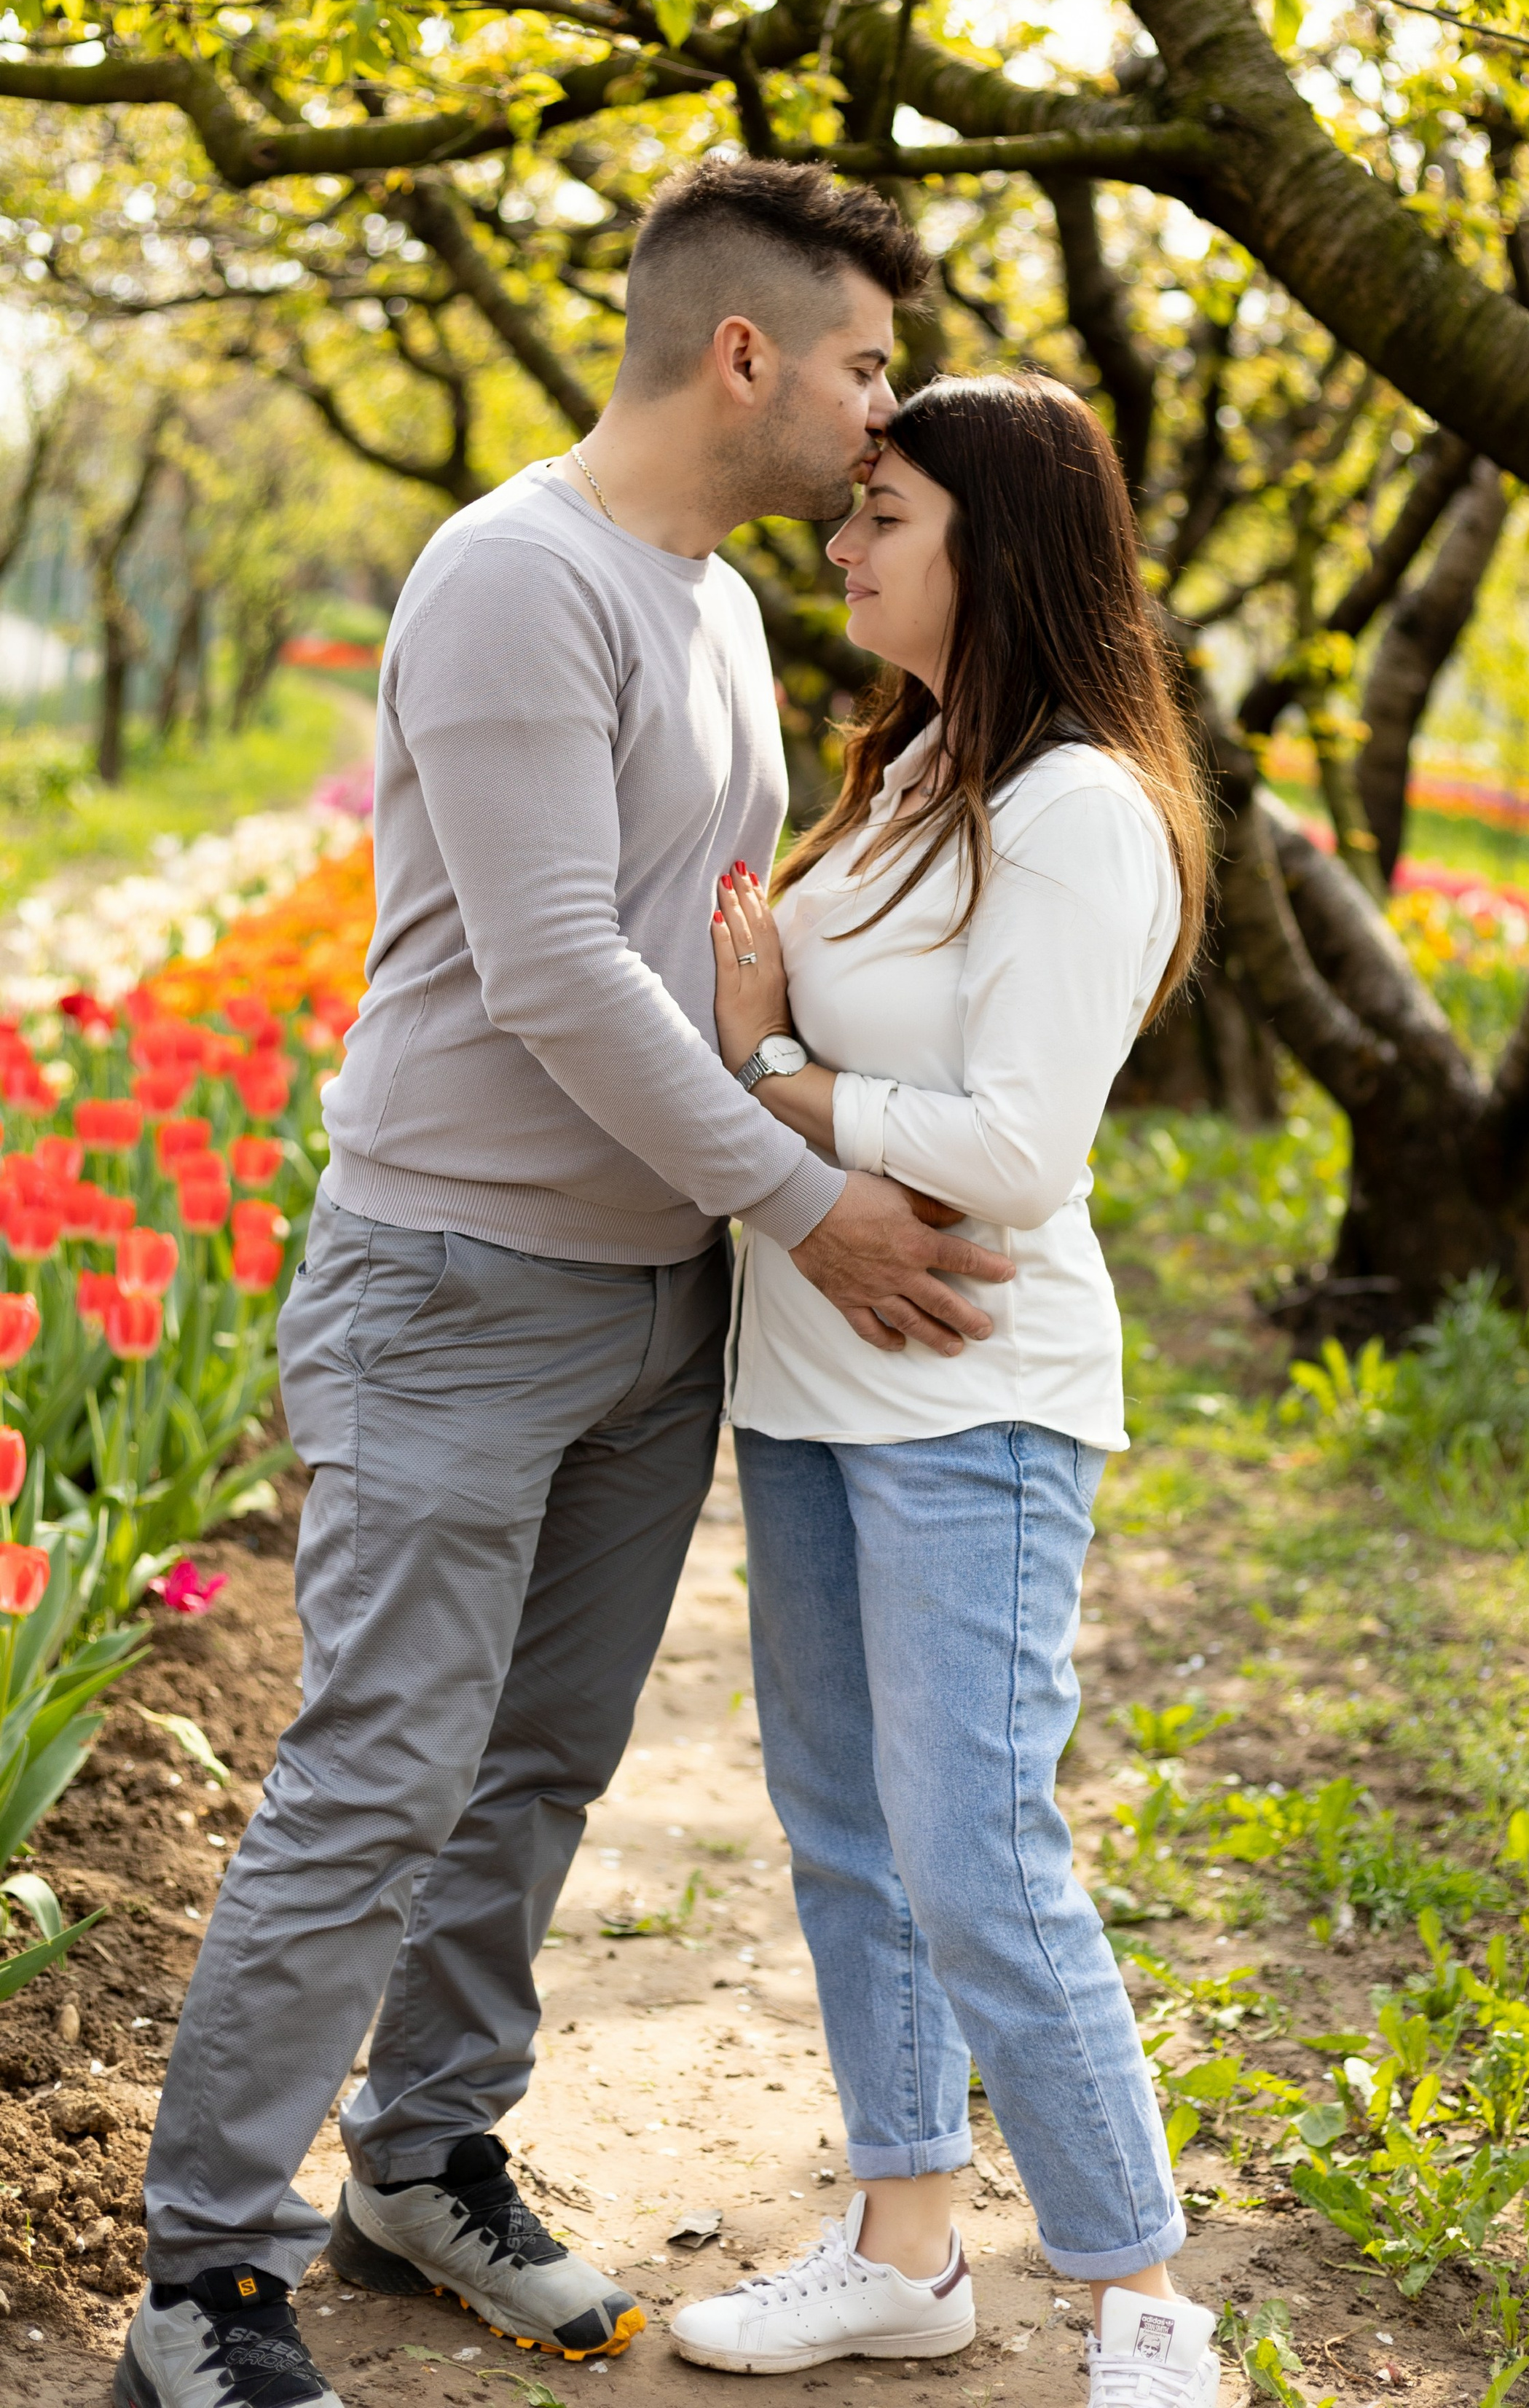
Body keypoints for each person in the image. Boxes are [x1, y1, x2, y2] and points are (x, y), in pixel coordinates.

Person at [116, 160, 1018, 2408]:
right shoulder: (519, 576)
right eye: (866, 364)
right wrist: (813, 1203)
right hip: (452, 1277)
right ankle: (201, 2283)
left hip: (653, 1298)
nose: (881, 412)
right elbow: (550, 975)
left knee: (532, 1773)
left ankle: (421, 2167)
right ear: (746, 357)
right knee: (381, 1771)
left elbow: (704, 949)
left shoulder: (710, 595)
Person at [668, 373, 1222, 2408]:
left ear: (998, 543)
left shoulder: (1080, 807)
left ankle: (1145, 2301)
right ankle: (907, 2244)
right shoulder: (905, 775)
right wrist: (792, 1090)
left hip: (972, 1393)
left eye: (882, 516)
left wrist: (762, 1072)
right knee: (841, 1828)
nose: (845, 544)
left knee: (978, 1847)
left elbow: (1011, 1148)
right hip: (812, 1371)